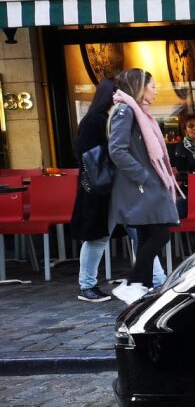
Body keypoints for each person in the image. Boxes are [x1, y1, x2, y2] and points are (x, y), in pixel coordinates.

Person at [107, 69, 180, 304]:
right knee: (159, 234)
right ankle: (134, 285)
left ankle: (141, 287)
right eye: (153, 85)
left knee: (150, 234)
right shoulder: (126, 110)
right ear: (140, 87)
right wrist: (143, 176)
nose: (156, 90)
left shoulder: (137, 111)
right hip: (140, 185)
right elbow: (117, 149)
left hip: (145, 183)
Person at [68, 78, 116, 302]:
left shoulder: (102, 118)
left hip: (108, 187)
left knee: (138, 233)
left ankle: (148, 280)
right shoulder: (96, 120)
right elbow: (86, 154)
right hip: (99, 188)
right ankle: (87, 285)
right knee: (97, 237)